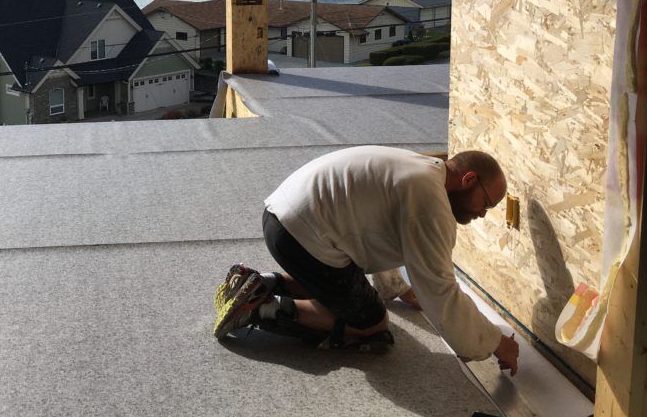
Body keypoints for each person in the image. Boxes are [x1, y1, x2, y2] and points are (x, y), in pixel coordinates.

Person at [213, 145, 520, 375]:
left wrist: (398, 288)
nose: (482, 214)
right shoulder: (431, 201)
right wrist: (495, 342)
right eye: (487, 203)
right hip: (303, 240)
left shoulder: (420, 169)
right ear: (469, 178)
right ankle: (262, 309)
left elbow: (373, 230)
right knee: (373, 322)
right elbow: (442, 292)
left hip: (282, 219)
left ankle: (262, 283)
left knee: (347, 287)